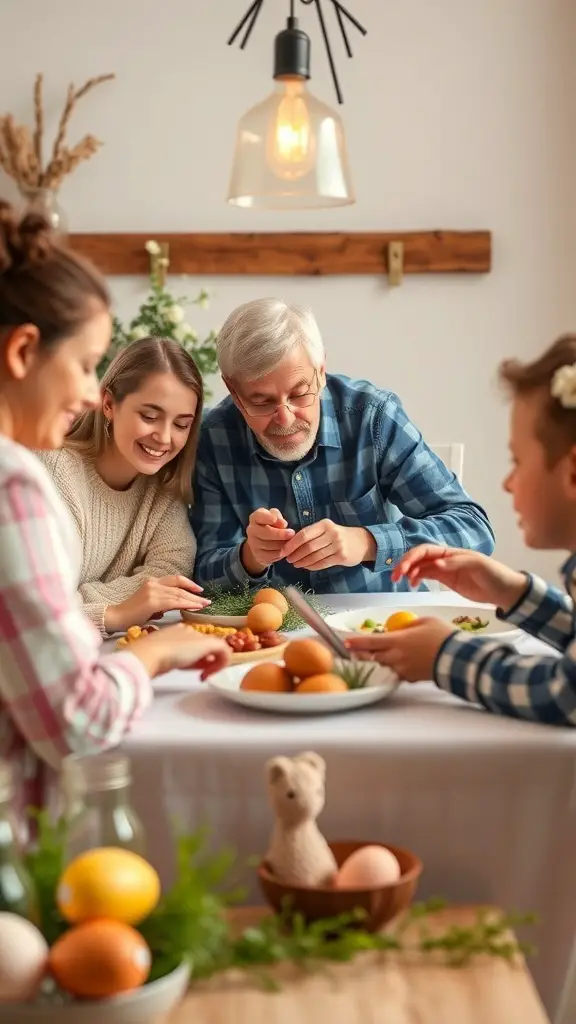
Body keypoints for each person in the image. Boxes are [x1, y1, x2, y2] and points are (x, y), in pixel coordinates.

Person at [0, 199, 229, 816]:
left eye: (181, 422)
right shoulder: (19, 486)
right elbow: (79, 721)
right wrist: (151, 649)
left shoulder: (158, 495)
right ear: (23, 353)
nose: (81, 391)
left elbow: (169, 572)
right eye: (81, 365)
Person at [346, 336, 576, 728]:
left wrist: (443, 655)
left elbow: (565, 694)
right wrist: (515, 593)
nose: (507, 483)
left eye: (517, 462)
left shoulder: (373, 415)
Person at [191, 297, 495, 592]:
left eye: (299, 394)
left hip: (386, 621)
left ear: (321, 370)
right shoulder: (214, 438)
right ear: (233, 389)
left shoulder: (373, 418)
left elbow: (474, 531)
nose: (284, 419)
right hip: (277, 634)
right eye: (262, 401)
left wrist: (367, 543)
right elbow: (202, 576)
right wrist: (250, 557)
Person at [39, 336, 209, 635]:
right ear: (108, 404)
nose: (164, 437)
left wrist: (83, 598)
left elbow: (173, 567)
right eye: (150, 416)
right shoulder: (55, 473)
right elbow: (41, 611)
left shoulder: (161, 485)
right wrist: (116, 613)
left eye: (181, 424)